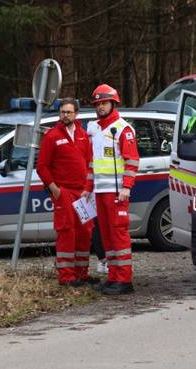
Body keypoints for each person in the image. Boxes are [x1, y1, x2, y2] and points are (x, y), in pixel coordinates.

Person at [82, 84, 139, 295]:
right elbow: (93, 164)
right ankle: (113, 276)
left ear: (113, 103)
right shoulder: (97, 130)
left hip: (116, 193)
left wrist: (126, 187)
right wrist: (88, 188)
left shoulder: (123, 129)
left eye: (104, 103)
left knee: (118, 235)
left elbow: (132, 161)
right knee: (106, 236)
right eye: (97, 104)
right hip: (100, 192)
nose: (100, 107)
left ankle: (124, 280)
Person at [36, 98, 98, 287]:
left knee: (85, 232)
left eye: (69, 112)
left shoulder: (82, 135)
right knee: (67, 233)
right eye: (62, 112)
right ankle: (66, 277)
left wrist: (88, 188)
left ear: (76, 114)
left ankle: (82, 274)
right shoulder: (52, 136)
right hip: (64, 192)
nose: (65, 115)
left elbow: (89, 163)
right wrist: (54, 189)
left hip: (83, 193)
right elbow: (42, 166)